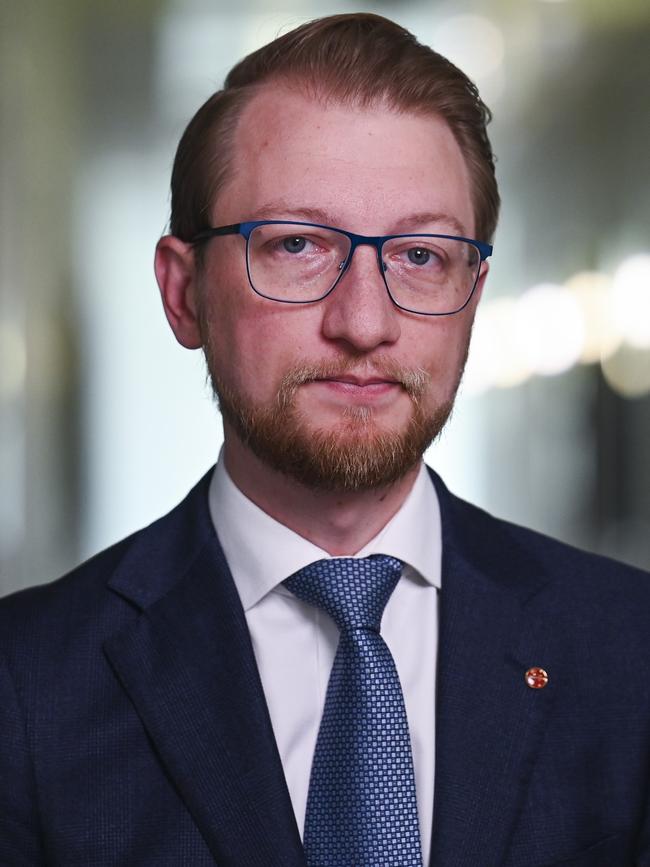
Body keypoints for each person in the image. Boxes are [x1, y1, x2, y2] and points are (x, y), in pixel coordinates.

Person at [1, 12, 649, 867]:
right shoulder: (24, 689)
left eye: (421, 255)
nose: (365, 322)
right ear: (184, 292)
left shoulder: (630, 651)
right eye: (298, 244)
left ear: (475, 292)